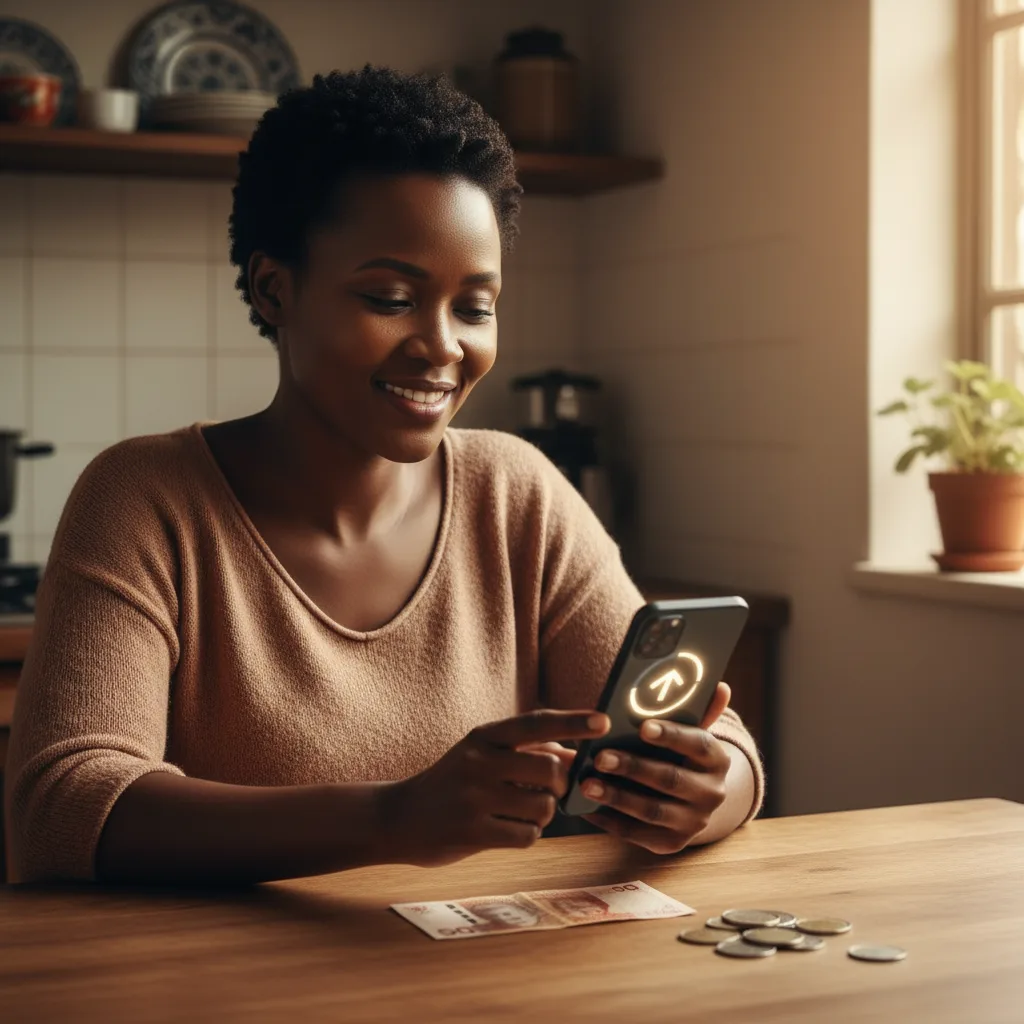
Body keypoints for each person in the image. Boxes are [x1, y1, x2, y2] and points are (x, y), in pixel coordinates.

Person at [4, 67, 763, 886]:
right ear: (274, 288)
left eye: (475, 307)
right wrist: (389, 819)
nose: (442, 346)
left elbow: (730, 753)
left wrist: (704, 788)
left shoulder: (518, 493)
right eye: (391, 297)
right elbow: (62, 808)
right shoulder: (145, 501)